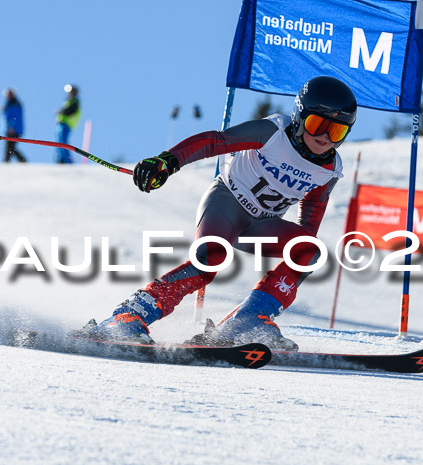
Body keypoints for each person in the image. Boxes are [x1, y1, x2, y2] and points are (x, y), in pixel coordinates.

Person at [90, 76, 357, 350]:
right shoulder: (273, 132)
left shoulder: (330, 168)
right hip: (227, 202)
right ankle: (128, 316)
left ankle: (248, 321)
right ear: (299, 117)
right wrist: (168, 161)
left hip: (262, 225)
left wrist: (299, 249)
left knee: (308, 251)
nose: (324, 138)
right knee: (211, 256)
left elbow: (313, 207)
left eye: (336, 132)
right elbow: (215, 142)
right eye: (318, 125)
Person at [55, 84, 81, 164]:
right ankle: (60, 160)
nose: (69, 94)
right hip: (61, 123)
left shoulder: (75, 101)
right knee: (58, 142)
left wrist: (62, 111)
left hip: (66, 124)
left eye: (71, 92)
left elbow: (71, 111)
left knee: (63, 142)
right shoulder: (68, 101)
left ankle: (67, 161)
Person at [1, 89, 26, 163]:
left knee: (9, 148)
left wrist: (12, 127)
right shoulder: (8, 104)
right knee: (10, 148)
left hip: (13, 130)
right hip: (10, 129)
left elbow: (15, 117)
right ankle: (21, 161)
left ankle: (21, 161)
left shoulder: (15, 104)